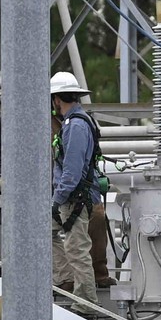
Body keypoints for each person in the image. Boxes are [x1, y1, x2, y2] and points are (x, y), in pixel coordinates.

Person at [48, 71, 110, 298]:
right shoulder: (80, 121)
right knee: (45, 233)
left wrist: (57, 200)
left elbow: (72, 173)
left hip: (74, 198)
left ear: (57, 99)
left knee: (77, 250)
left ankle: (86, 302)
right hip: (77, 196)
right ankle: (68, 279)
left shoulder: (75, 126)